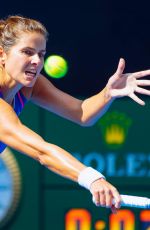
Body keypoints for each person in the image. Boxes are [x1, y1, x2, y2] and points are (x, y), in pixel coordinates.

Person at [0, 15, 150, 214]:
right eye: (27, 52)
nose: (36, 61)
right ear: (2, 54)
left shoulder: (29, 86)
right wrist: (93, 178)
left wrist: (107, 94)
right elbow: (41, 151)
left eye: (41, 54)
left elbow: (82, 113)